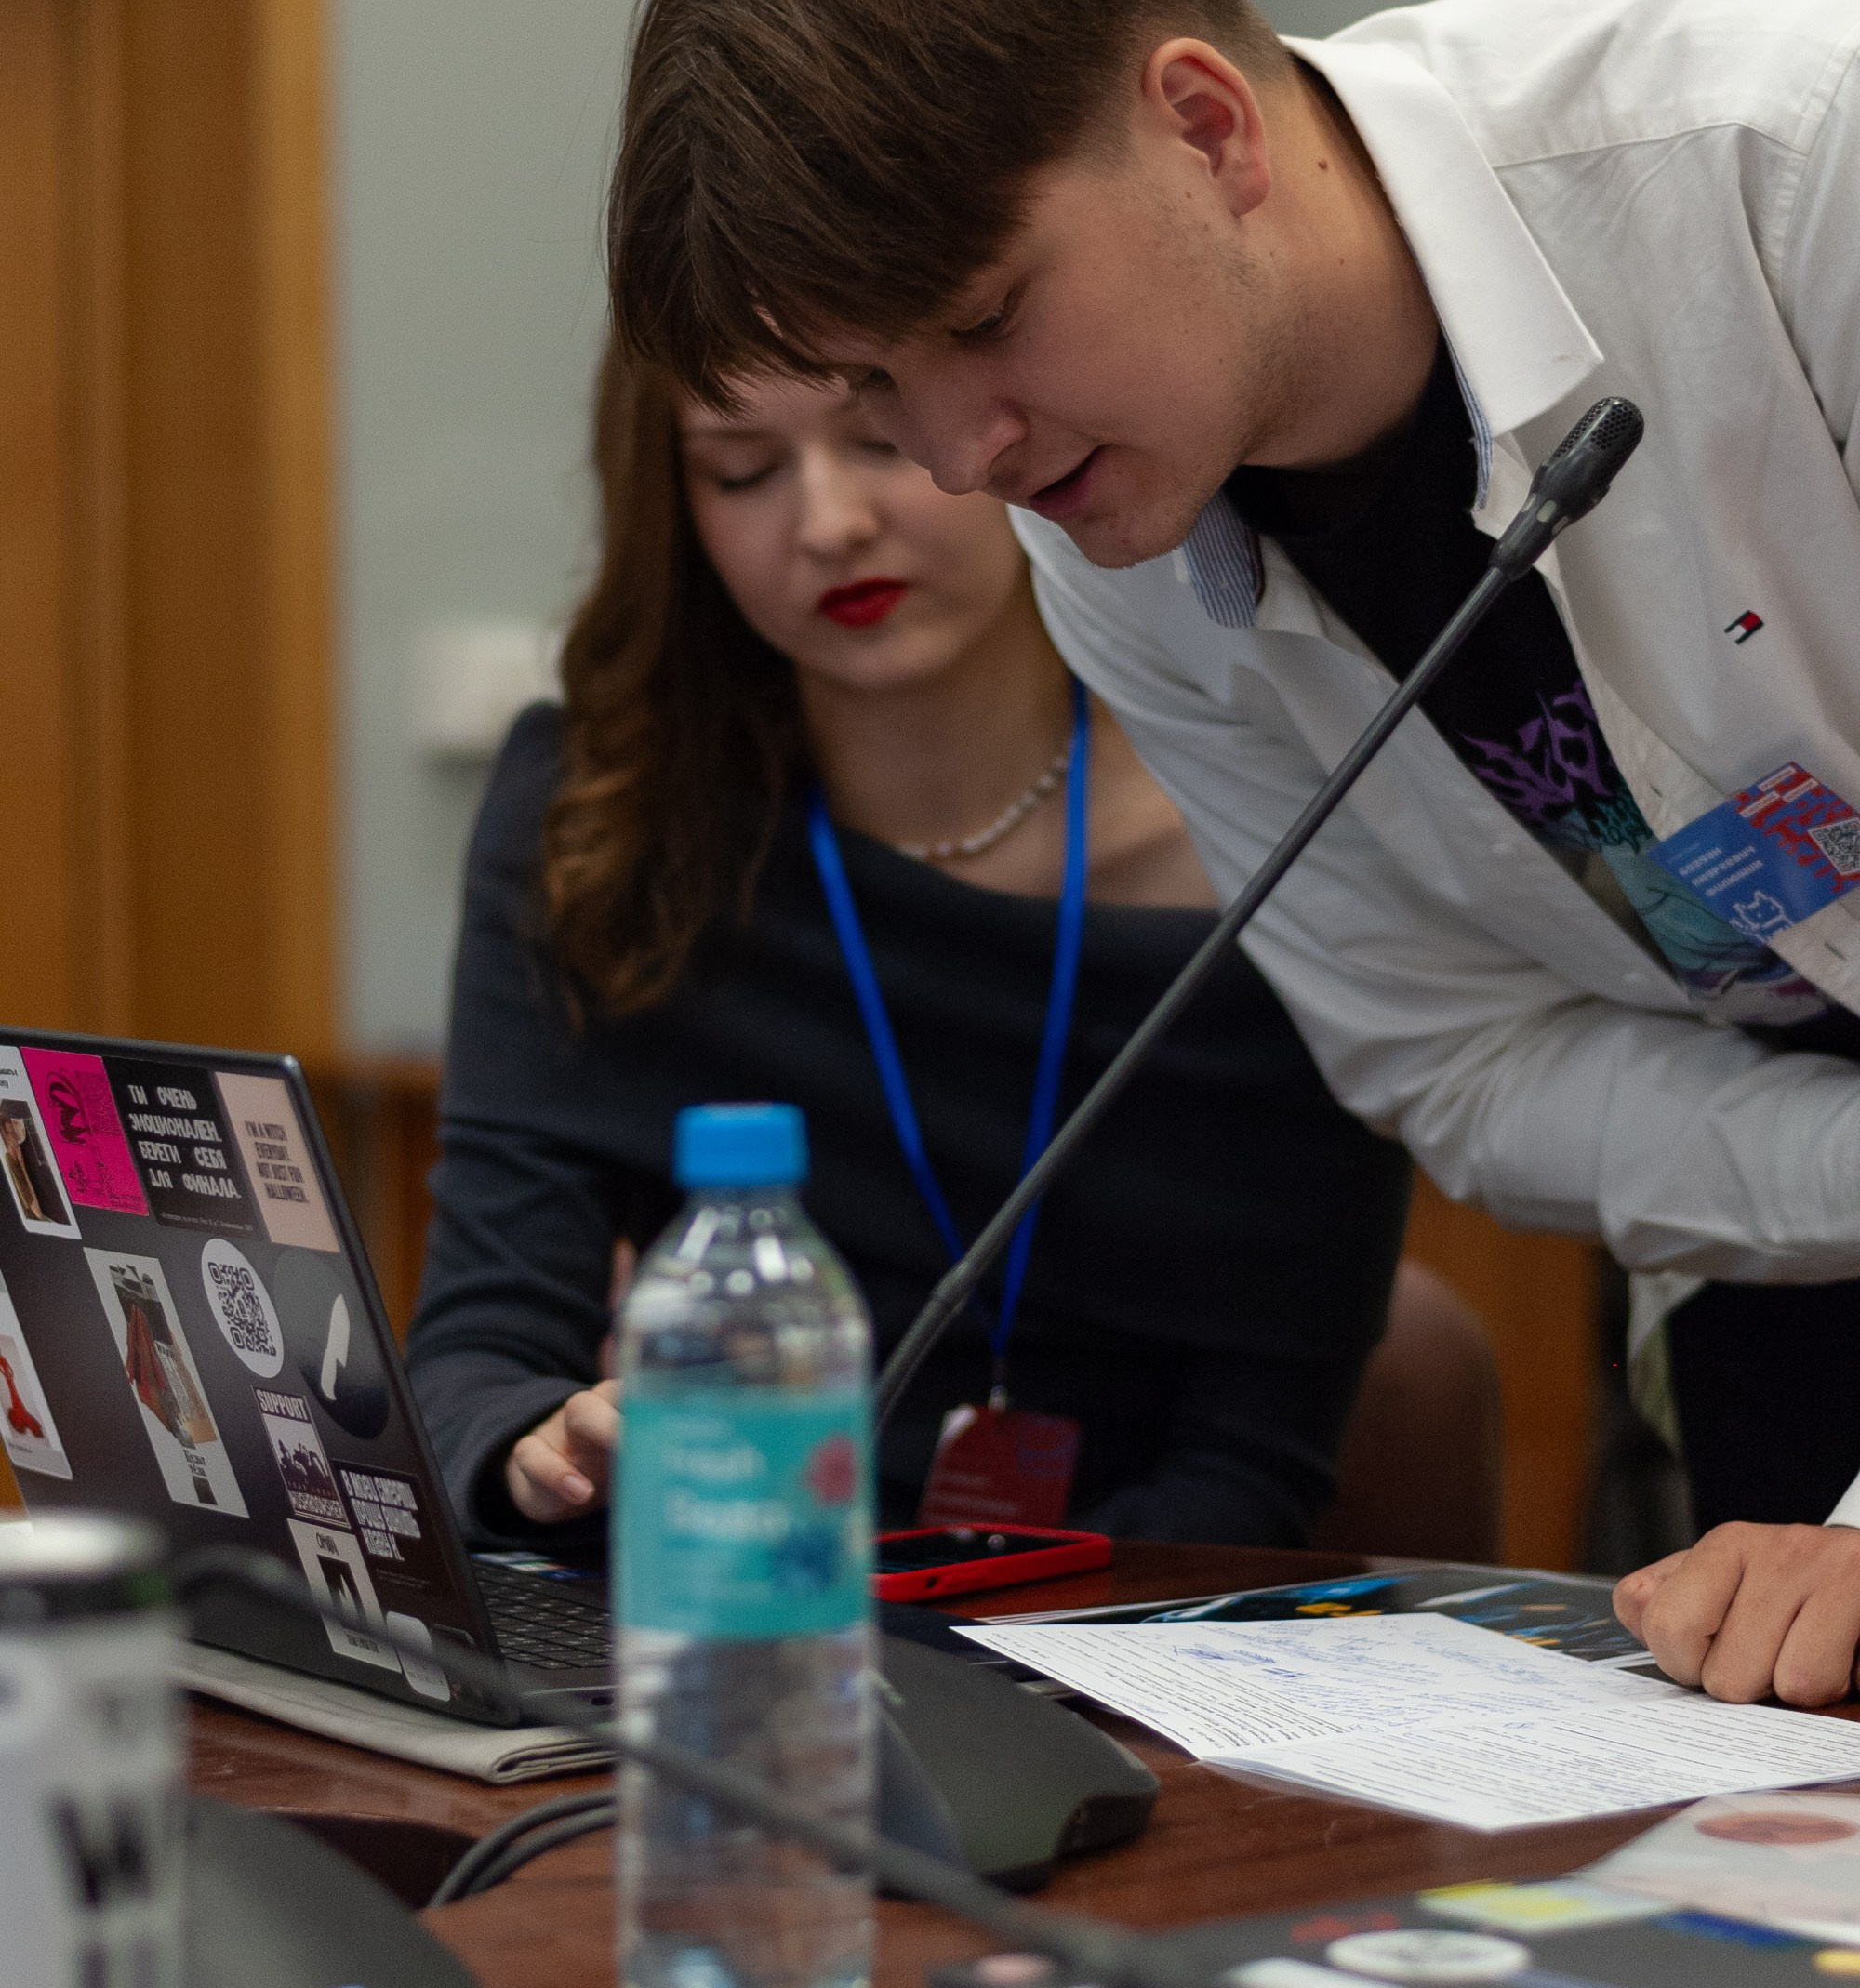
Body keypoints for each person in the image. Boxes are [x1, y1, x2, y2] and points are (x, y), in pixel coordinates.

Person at [606, 0, 1860, 1700]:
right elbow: (1456, 1060)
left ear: (1202, 124)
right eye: (875, 385)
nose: (958, 460)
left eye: (983, 321)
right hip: (1795, 1286)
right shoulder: (1119, 539)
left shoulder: (1794, 146)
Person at [405, 345, 1451, 1550]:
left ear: (1027, 433)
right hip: (727, 1589)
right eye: (742, 472)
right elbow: (479, 1361)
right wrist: (545, 1452)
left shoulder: (1273, 833)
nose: (831, 524)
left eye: (884, 443)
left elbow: (1249, 1472)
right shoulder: (600, 824)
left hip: (1127, 1629)